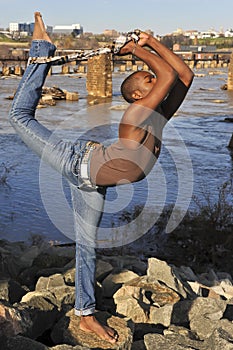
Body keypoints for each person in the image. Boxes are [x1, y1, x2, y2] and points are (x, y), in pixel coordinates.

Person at [9, 12, 194, 344]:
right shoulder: (136, 116)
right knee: (18, 115)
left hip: (94, 182)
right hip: (75, 161)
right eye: (148, 80)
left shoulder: (159, 117)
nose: (155, 79)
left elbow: (183, 73)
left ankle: (85, 315)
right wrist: (137, 49)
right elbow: (168, 74)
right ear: (138, 96)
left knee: (87, 246)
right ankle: (41, 48)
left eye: (151, 77)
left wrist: (149, 42)